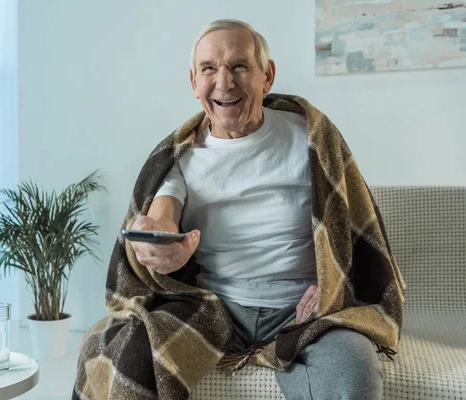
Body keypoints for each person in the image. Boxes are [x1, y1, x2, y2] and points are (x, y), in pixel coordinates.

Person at [128, 19, 384, 399]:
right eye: (209, 68)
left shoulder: (311, 138)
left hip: (300, 313)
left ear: (268, 75)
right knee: (116, 351)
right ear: (194, 81)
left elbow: (349, 233)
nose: (224, 82)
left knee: (354, 365)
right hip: (214, 313)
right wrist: (158, 242)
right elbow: (163, 215)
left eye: (240, 66)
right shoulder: (179, 156)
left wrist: (333, 282)